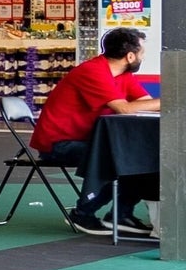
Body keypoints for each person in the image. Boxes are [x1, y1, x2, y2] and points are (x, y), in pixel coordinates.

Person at [32, 27, 159, 238]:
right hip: (59, 143)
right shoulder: (93, 71)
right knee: (117, 157)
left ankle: (121, 214)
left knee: (143, 156)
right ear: (130, 56)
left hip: (89, 140)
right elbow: (124, 108)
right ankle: (83, 213)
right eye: (142, 52)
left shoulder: (122, 74)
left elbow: (146, 104)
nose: (142, 56)